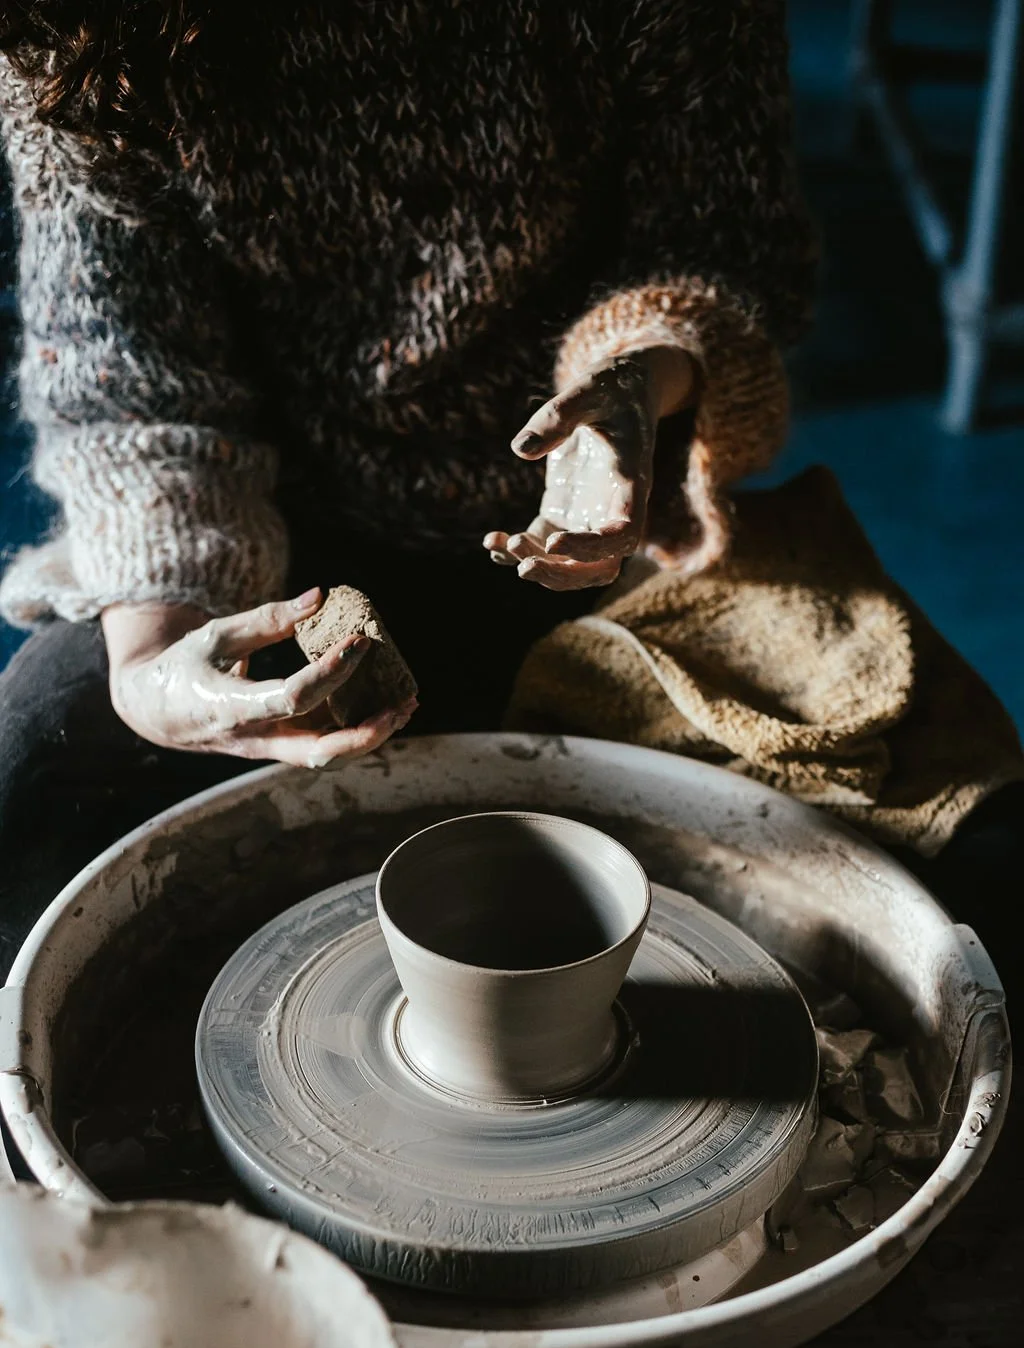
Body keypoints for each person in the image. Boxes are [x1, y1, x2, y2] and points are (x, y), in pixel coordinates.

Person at [0, 1, 818, 974]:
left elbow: (728, 240)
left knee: (942, 831)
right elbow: (127, 374)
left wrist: (631, 383)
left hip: (610, 529)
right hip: (270, 550)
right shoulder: (81, 25)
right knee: (36, 784)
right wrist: (155, 657)